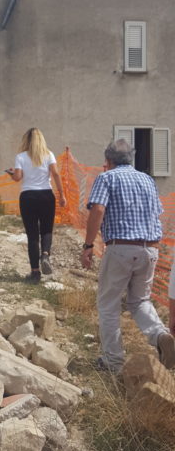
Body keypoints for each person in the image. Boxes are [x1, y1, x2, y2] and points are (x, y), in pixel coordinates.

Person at [81, 138, 175, 372]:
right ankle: (160, 335)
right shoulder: (147, 180)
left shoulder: (106, 178)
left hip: (120, 247)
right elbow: (156, 213)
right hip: (150, 249)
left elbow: (98, 209)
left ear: (108, 159)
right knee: (140, 301)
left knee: (108, 304)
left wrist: (88, 245)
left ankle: (113, 362)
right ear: (131, 158)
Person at [6, 128, 66, 283]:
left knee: (32, 234)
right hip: (46, 195)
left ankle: (35, 273)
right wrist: (62, 195)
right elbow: (56, 174)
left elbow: (18, 177)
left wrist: (11, 173)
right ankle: (45, 255)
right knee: (47, 230)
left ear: (27, 140)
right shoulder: (49, 154)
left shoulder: (20, 157)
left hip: (28, 197)